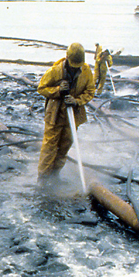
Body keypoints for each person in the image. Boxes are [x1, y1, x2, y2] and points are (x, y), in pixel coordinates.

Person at [37, 43, 96, 186]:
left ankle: (55, 174)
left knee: (65, 145)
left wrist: (77, 101)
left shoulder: (86, 71)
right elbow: (42, 88)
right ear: (67, 57)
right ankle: (43, 178)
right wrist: (58, 90)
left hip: (73, 115)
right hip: (55, 114)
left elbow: (90, 92)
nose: (75, 67)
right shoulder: (56, 70)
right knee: (50, 146)